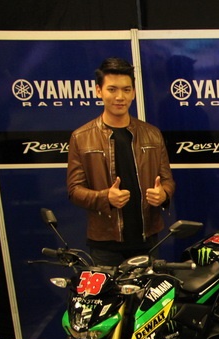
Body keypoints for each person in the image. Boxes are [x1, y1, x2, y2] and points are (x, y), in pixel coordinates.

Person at [67, 57, 175, 266]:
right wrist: (105, 197)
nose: (120, 97)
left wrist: (163, 194)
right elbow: (74, 190)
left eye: (126, 90)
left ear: (133, 93)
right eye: (112, 89)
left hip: (147, 239)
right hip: (105, 244)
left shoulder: (152, 134)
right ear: (99, 91)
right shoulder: (81, 137)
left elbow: (167, 180)